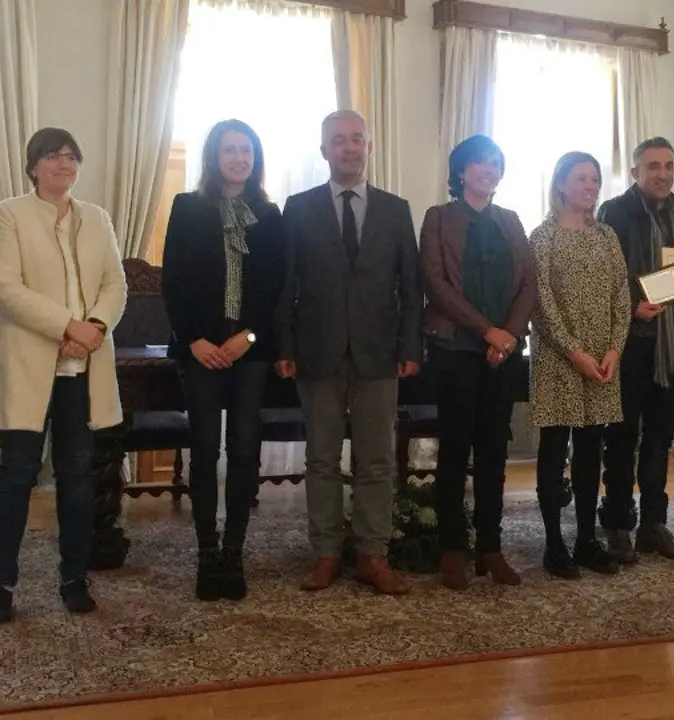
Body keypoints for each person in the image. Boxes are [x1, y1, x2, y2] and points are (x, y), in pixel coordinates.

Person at [0, 127, 127, 623]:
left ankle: (74, 577)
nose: (63, 163)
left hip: (80, 368)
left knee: (78, 478)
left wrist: (95, 328)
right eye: (52, 156)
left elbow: (115, 283)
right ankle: (2, 584)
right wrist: (68, 326)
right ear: (33, 166)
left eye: (70, 155)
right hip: (26, 364)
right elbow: (5, 287)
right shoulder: (9, 215)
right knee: (17, 475)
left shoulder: (98, 219)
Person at [275, 110, 422, 595]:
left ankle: (372, 554)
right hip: (317, 352)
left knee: (376, 459)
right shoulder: (297, 209)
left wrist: (409, 345)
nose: (349, 147)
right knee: (320, 458)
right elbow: (285, 286)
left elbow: (411, 286)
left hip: (380, 353)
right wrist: (285, 346)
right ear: (324, 151)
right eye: (339, 140)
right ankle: (324, 553)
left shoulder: (396, 210)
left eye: (357, 138)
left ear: (369, 146)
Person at [162, 120, 285, 601]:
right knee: (205, 446)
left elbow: (275, 289)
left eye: (246, 150)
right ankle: (206, 549)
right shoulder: (188, 209)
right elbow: (175, 280)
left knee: (244, 448)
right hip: (200, 350)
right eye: (230, 150)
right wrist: (192, 338)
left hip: (249, 350)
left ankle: (234, 550)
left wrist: (248, 337)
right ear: (214, 157)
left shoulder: (270, 215)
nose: (238, 158)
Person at [420, 134, 537, 590]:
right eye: (480, 163)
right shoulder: (439, 217)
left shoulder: (510, 220)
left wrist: (506, 336)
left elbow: (529, 281)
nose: (488, 169)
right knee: (454, 451)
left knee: (494, 452)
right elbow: (436, 282)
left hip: (503, 354)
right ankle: (452, 548)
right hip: (455, 351)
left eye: (495, 163)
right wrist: (487, 331)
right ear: (461, 172)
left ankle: (490, 547)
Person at [596, 137, 674, 564]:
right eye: (653, 165)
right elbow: (604, 275)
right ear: (636, 172)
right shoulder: (614, 213)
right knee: (621, 439)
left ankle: (654, 526)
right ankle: (618, 525)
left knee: (659, 440)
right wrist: (630, 305)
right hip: (630, 344)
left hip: (671, 346)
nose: (663, 173)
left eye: (669, 165)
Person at [530, 151, 630, 578]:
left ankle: (587, 538)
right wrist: (574, 352)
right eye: (581, 179)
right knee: (555, 451)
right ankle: (555, 545)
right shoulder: (543, 237)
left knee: (592, 450)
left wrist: (613, 349)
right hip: (559, 359)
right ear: (560, 184)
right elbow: (541, 304)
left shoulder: (607, 236)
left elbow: (622, 295)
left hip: (603, 361)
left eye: (595, 180)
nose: (590, 187)